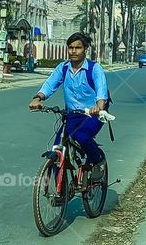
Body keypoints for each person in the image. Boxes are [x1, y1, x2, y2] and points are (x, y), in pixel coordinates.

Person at [29, 32, 108, 171]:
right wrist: (37, 98)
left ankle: (97, 159)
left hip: (93, 115)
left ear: (85, 49)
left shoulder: (95, 69)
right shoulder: (63, 68)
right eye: (71, 47)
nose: (73, 51)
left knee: (82, 136)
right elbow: (50, 85)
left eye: (78, 48)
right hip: (72, 115)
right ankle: (61, 191)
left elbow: (101, 91)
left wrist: (98, 107)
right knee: (57, 149)